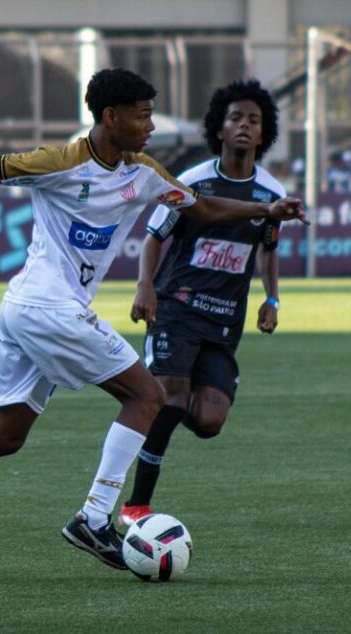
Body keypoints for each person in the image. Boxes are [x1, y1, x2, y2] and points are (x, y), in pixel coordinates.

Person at [0, 68, 307, 577]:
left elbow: (206, 208)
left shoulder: (143, 172)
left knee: (6, 434)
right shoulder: (60, 162)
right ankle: (95, 517)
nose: (150, 127)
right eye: (142, 116)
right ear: (111, 116)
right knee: (147, 396)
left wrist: (268, 208)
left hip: (28, 311)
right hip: (47, 308)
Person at [118, 79, 289, 526]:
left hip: (224, 320)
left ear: (264, 132)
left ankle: (165, 402)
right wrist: (144, 285)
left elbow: (268, 248)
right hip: (176, 307)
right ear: (219, 128)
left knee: (209, 421)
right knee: (171, 398)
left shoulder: (272, 194)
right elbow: (154, 236)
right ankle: (136, 505)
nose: (244, 126)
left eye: (254, 120)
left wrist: (272, 298)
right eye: (236, 118)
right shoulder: (193, 182)